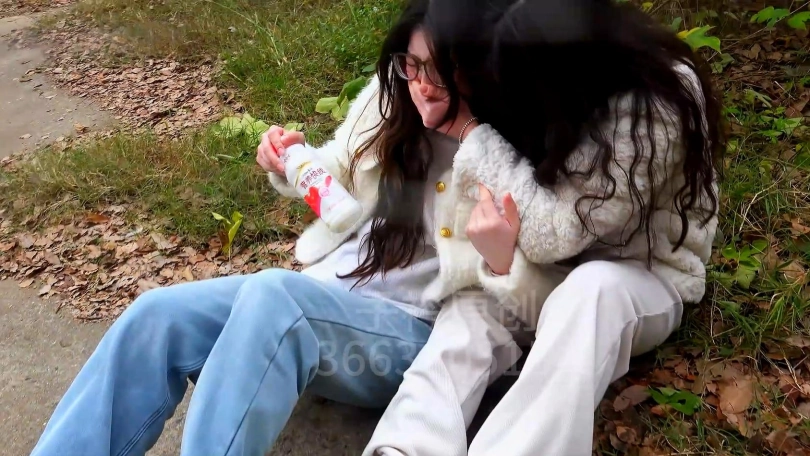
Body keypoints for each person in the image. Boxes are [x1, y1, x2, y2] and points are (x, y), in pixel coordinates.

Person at [28, 0, 570, 454]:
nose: (423, 86)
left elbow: (546, 293)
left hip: (411, 331)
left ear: (482, 70)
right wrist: (290, 158)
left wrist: (500, 255)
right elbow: (337, 170)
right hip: (333, 290)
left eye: (442, 72)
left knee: (275, 295)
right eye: (414, 64)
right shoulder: (391, 97)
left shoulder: (512, 152)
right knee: (157, 316)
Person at [360, 0, 724, 455]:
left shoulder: (655, 101)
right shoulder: (522, 57)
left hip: (640, 275)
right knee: (468, 311)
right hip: (542, 271)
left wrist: (473, 133)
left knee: (592, 292)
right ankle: (403, 446)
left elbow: (557, 230)